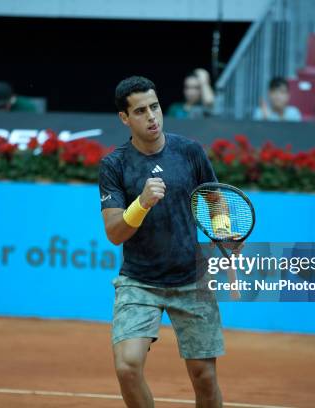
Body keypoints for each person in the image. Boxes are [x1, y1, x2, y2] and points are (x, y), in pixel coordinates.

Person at [99, 76, 226, 407]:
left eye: (154, 107)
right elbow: (114, 233)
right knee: (127, 367)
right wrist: (140, 203)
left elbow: (215, 204)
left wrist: (226, 234)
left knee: (205, 377)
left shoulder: (190, 151)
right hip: (139, 282)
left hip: (190, 279)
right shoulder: (114, 165)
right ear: (125, 118)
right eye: (140, 111)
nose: (151, 116)